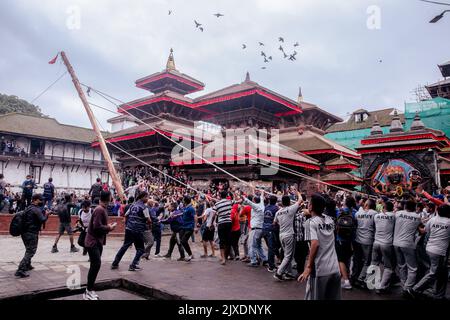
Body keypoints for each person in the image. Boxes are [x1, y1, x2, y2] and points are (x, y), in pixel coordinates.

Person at [299, 193, 341, 300]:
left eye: (309, 203)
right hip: (335, 269)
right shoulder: (330, 220)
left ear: (311, 206)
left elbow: (315, 244)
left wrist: (308, 267)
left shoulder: (310, 223)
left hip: (320, 270)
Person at [410, 204, 450, 300]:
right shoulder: (449, 222)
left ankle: (439, 295)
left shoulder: (432, 219)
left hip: (430, 248)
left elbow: (425, 231)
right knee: (434, 272)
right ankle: (414, 289)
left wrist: (418, 225)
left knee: (443, 273)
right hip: (440, 251)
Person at [84, 191, 116, 300]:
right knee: (96, 264)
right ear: (109, 198)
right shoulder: (99, 210)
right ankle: (89, 290)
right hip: (93, 242)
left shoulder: (102, 209)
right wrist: (109, 228)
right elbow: (97, 226)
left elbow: (98, 226)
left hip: (97, 242)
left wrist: (107, 226)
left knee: (95, 265)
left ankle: (89, 290)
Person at [111, 191, 151, 271]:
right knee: (141, 249)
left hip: (129, 229)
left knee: (125, 246)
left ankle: (115, 263)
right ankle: (133, 265)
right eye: (147, 197)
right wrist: (149, 226)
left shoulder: (132, 205)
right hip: (138, 230)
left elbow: (126, 215)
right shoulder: (144, 207)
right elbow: (148, 220)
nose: (147, 199)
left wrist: (128, 223)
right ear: (142, 197)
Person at [15, 194, 50, 278]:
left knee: (28, 249)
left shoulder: (29, 208)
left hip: (25, 232)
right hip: (31, 233)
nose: (42, 202)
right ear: (35, 200)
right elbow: (42, 219)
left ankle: (27, 265)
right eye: (40, 200)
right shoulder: (35, 209)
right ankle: (20, 270)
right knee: (31, 251)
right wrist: (47, 214)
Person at [393, 197, 423, 295]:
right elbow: (421, 229)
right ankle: (408, 288)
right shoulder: (417, 217)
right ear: (415, 207)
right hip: (408, 244)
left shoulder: (398, 214)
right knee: (413, 268)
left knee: (401, 266)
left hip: (396, 243)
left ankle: (403, 285)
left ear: (405, 206)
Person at [273, 192, 302, 281]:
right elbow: (300, 200)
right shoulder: (290, 209)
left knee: (287, 255)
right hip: (289, 235)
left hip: (281, 235)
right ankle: (279, 272)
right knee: (288, 256)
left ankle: (288, 273)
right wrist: (298, 192)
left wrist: (282, 223)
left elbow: (274, 223)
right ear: (289, 202)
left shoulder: (278, 212)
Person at [371, 200, 396, 294]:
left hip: (376, 242)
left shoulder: (376, 216)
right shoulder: (393, 216)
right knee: (388, 266)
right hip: (387, 244)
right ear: (392, 208)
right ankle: (381, 286)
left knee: (374, 263)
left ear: (383, 207)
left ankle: (370, 283)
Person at [351, 199, 376, 288]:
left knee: (357, 260)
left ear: (366, 205)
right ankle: (360, 279)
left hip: (358, 240)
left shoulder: (358, 214)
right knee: (367, 261)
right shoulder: (374, 214)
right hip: (368, 241)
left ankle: (354, 277)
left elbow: (355, 225)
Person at [335, 196, 357, 290]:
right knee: (347, 258)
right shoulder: (355, 212)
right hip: (351, 239)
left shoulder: (339, 211)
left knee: (341, 260)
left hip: (340, 239)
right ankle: (346, 276)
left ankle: (346, 281)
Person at [243, 189, 267, 267]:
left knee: (252, 245)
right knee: (259, 245)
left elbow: (249, 202)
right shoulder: (262, 205)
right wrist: (262, 192)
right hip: (260, 229)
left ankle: (253, 261)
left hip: (255, 229)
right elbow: (262, 198)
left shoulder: (256, 206)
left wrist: (242, 196)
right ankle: (264, 259)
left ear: (254, 200)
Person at [213, 191, 233, 265]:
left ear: (220, 196)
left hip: (221, 223)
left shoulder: (217, 204)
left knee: (222, 241)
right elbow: (239, 201)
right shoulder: (230, 202)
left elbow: (214, 213)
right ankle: (226, 256)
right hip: (228, 223)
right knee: (228, 241)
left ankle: (223, 258)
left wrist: (212, 223)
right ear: (226, 195)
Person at [262, 195, 279, 272]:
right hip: (271, 230)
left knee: (271, 247)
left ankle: (273, 262)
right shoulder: (276, 209)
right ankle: (271, 266)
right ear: (275, 201)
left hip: (265, 229)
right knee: (271, 248)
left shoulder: (266, 207)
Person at [180, 195, 196, 262]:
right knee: (181, 240)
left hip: (189, 227)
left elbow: (195, 217)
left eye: (183, 200)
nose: (183, 201)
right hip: (184, 227)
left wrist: (195, 227)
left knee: (183, 241)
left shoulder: (191, 208)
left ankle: (190, 254)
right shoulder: (185, 208)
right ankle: (188, 254)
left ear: (185, 201)